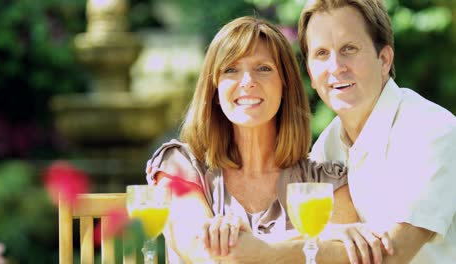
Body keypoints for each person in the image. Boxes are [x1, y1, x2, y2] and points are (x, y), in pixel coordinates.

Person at [145, 16, 386, 263]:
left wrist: (255, 244)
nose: (248, 82)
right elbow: (208, 254)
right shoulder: (178, 167)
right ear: (215, 90)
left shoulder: (324, 182)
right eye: (231, 69)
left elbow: (347, 258)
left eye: (263, 68)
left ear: (285, 86)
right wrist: (319, 236)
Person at [298, 0, 456, 263]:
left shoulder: (433, 132)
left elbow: (391, 255)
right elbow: (311, 233)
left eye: (349, 49)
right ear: (311, 75)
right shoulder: (326, 147)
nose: (336, 67)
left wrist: (266, 252)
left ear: (384, 59)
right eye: (322, 53)